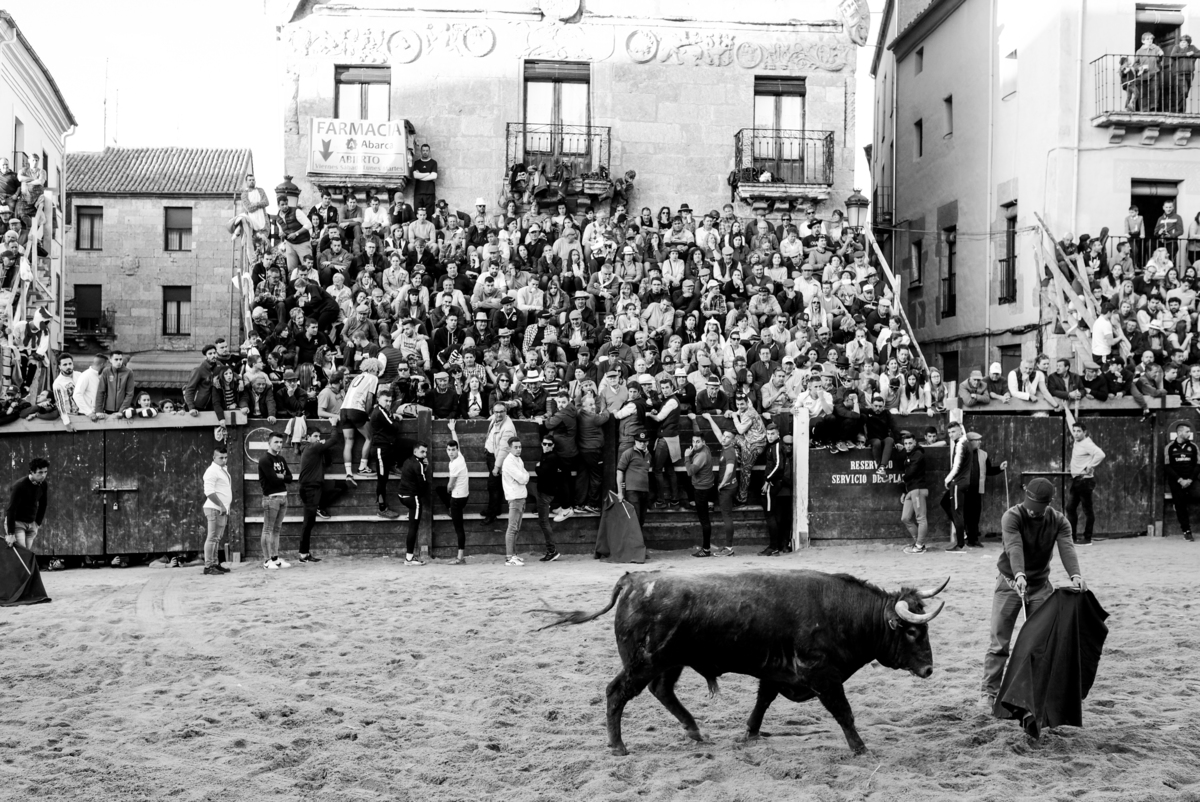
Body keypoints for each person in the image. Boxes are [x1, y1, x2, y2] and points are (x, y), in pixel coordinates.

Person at [981, 477, 1086, 709]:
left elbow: (1067, 546)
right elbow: (1014, 546)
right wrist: (1019, 574)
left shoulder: (1059, 521)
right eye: (1030, 506)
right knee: (999, 643)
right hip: (1009, 584)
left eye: (1038, 508)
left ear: (1049, 503)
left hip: (1039, 586)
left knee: (1041, 644)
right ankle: (989, 692)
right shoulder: (1012, 516)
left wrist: (1075, 575)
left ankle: (1035, 692)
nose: (1033, 512)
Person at [297, 428, 352, 564]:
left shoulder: (314, 449)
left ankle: (320, 506)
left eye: (319, 436)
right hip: (310, 489)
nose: (317, 438)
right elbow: (333, 440)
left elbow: (327, 461)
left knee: (342, 485)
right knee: (308, 523)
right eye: (315, 436)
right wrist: (334, 425)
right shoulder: (311, 447)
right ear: (308, 437)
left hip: (317, 487)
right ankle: (303, 554)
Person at [701, 412, 738, 556]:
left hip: (727, 488)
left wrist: (722, 484)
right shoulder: (726, 446)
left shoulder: (729, 452)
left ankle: (729, 548)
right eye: (724, 436)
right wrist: (710, 418)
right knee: (726, 515)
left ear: (733, 440)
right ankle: (728, 547)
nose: (724, 438)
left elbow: (729, 471)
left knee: (727, 516)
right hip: (729, 487)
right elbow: (717, 433)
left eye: (728, 437)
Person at [964, 432, 1008, 548]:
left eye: (979, 440)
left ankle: (974, 539)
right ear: (969, 442)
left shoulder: (983, 454)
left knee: (975, 515)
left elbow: (988, 470)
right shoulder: (962, 453)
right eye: (976, 440)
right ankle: (968, 538)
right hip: (964, 490)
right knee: (966, 515)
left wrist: (1000, 468)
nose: (979, 442)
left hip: (977, 490)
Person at [1066, 421, 1105, 545]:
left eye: (1079, 431)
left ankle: (1087, 538)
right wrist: (1066, 408)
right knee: (1070, 508)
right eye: (1074, 431)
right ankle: (1072, 538)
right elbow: (1070, 420)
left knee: (1087, 510)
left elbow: (1101, 454)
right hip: (1077, 479)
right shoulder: (1077, 442)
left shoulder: (1087, 443)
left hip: (1085, 480)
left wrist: (1090, 465)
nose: (1076, 434)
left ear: (1084, 432)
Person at [341, 357, 380, 478]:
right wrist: (368, 414)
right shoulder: (373, 378)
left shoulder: (357, 377)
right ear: (374, 368)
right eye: (378, 370)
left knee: (348, 441)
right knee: (369, 437)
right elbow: (369, 398)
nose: (378, 373)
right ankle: (362, 467)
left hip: (343, 409)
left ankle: (348, 472)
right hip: (357, 409)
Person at [258, 432, 293, 570]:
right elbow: (272, 479)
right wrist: (281, 475)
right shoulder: (265, 459)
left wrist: (280, 476)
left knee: (276, 529)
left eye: (280, 442)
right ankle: (267, 561)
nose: (279, 444)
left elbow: (290, 478)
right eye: (276, 442)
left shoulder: (281, 458)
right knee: (268, 529)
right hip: (271, 498)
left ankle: (275, 558)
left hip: (283, 497)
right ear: (269, 443)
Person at [368, 387, 403, 520]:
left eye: (390, 401)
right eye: (386, 400)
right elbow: (394, 427)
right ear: (379, 400)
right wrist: (396, 419)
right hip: (380, 450)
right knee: (382, 480)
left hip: (386, 448)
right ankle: (382, 509)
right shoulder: (380, 412)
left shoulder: (383, 411)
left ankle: (394, 465)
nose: (388, 403)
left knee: (408, 445)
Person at [440, 421, 469, 563]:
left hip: (457, 499)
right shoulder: (460, 456)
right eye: (449, 450)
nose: (451, 452)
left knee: (459, 528)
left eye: (453, 450)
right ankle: (450, 508)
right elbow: (456, 442)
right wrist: (452, 430)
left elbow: (450, 485)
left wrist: (448, 488)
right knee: (440, 490)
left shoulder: (456, 464)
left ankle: (460, 558)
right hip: (464, 496)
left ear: (457, 450)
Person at [482, 402, 517, 524]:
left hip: (497, 459)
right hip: (492, 456)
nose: (498, 414)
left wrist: (497, 467)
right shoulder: (496, 418)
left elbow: (504, 449)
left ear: (506, 412)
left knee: (493, 487)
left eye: (501, 411)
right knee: (495, 486)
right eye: (496, 412)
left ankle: (491, 514)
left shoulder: (507, 428)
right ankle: (494, 510)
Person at [397, 442, 430, 566]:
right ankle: (409, 559)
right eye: (422, 452)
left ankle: (410, 513)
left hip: (401, 496)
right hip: (412, 498)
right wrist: (425, 468)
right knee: (413, 528)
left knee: (413, 521)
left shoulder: (408, 461)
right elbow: (423, 484)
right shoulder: (418, 465)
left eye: (425, 452)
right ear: (415, 452)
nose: (425, 454)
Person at [1165, 420, 1199, 541]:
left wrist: (1189, 479)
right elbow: (1167, 466)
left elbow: (1198, 465)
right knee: (1180, 505)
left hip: (1192, 480)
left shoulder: (1194, 447)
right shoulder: (1169, 447)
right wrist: (1180, 480)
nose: (1189, 434)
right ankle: (1187, 531)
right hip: (1176, 481)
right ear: (1179, 433)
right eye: (1187, 432)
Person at [5, 457, 49, 551]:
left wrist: (37, 523)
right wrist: (11, 534)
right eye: (40, 472)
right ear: (32, 472)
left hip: (32, 524)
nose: (43, 475)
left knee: (26, 555)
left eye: (45, 472)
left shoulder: (43, 484)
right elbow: (11, 509)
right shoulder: (19, 486)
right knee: (22, 553)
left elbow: (43, 504)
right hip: (17, 523)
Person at [896, 430, 929, 553]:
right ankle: (918, 542)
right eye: (906, 444)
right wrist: (904, 492)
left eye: (910, 443)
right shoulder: (909, 455)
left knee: (921, 518)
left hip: (918, 489)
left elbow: (911, 472)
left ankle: (919, 546)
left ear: (915, 442)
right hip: (910, 490)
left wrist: (901, 479)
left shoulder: (918, 454)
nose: (908, 446)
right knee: (905, 518)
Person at [201, 448, 232, 576]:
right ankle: (208, 566)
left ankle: (214, 563)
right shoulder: (212, 471)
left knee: (217, 538)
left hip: (220, 509)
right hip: (215, 508)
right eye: (221, 458)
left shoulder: (222, 469)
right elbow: (208, 491)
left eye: (225, 457)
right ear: (214, 457)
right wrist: (221, 505)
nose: (224, 460)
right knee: (212, 538)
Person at [941, 420, 971, 551]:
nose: (951, 435)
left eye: (953, 432)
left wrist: (947, 480)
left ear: (960, 431)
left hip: (958, 483)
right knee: (945, 503)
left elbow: (956, 467)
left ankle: (960, 544)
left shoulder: (960, 445)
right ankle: (962, 533)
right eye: (949, 433)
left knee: (957, 512)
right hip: (961, 481)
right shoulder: (965, 443)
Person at [759, 422, 788, 555]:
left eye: (772, 434)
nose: (770, 436)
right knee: (771, 515)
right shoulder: (772, 446)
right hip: (772, 483)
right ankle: (776, 546)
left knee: (770, 516)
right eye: (768, 434)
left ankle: (774, 547)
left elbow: (778, 466)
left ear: (778, 434)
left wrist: (767, 480)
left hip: (772, 484)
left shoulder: (776, 446)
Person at [685, 431, 715, 557]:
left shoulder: (701, 455)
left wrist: (686, 456)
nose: (695, 444)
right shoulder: (706, 448)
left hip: (701, 489)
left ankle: (706, 549)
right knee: (705, 518)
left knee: (704, 520)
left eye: (698, 442)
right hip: (707, 486)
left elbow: (690, 471)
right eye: (693, 441)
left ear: (703, 442)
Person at [534, 435, 563, 562]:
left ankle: (552, 551)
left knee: (544, 522)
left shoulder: (552, 457)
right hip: (544, 492)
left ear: (553, 446)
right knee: (543, 522)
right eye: (544, 444)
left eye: (549, 444)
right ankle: (551, 550)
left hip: (545, 493)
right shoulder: (547, 456)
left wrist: (537, 467)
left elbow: (541, 472)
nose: (546, 446)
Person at [501, 436, 529, 566]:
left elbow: (525, 476)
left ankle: (513, 555)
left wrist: (524, 476)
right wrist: (524, 477)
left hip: (520, 497)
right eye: (516, 447)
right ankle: (509, 557)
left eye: (520, 447)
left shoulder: (518, 459)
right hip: (515, 498)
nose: (518, 449)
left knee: (516, 528)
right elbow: (523, 478)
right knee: (512, 528)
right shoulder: (509, 462)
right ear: (509, 448)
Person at [616, 430, 653, 528]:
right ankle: (634, 543)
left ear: (648, 442)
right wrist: (620, 492)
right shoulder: (628, 453)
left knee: (641, 521)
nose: (641, 443)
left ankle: (637, 543)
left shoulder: (649, 455)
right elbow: (620, 471)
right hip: (632, 491)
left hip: (645, 491)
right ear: (635, 441)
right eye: (639, 441)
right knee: (634, 520)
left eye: (644, 441)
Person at [184, 345, 220, 416]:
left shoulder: (219, 365)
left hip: (210, 406)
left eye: (214, 353)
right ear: (205, 356)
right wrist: (191, 408)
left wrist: (239, 379)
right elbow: (190, 389)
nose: (213, 355)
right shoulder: (199, 369)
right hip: (196, 406)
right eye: (210, 354)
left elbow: (229, 371)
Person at [412, 144, 438, 213]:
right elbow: (415, 176)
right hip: (418, 192)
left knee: (429, 213)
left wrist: (420, 175)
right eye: (423, 150)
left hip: (429, 192)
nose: (425, 152)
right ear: (421, 151)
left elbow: (434, 176)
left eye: (427, 150)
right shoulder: (417, 163)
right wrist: (428, 173)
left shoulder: (433, 163)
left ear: (429, 151)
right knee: (418, 213)